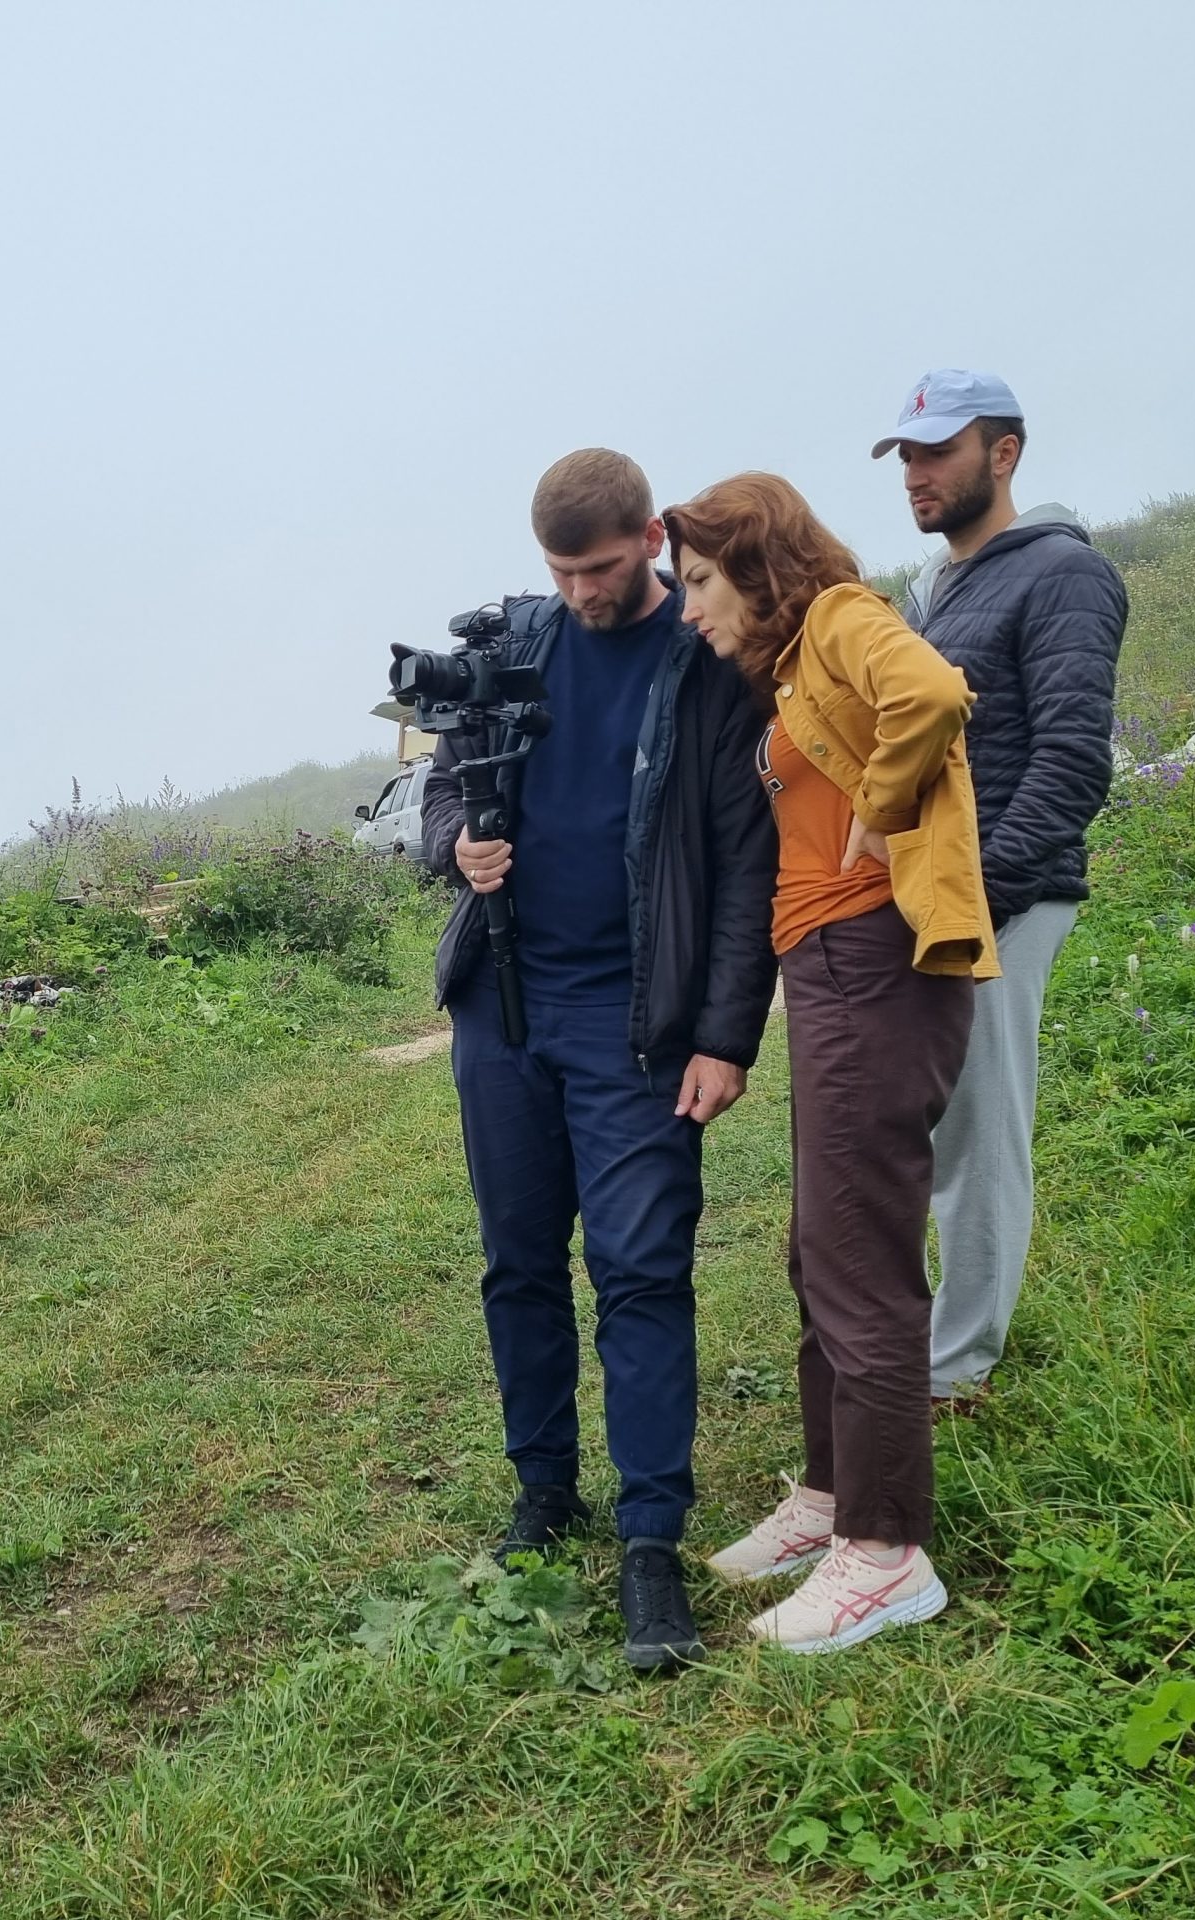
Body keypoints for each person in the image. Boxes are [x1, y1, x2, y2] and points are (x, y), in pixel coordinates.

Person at [423, 448, 778, 1672]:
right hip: (504, 1010)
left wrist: (727, 1033)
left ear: (651, 538)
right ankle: (542, 1492)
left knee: (638, 1271)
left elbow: (746, 862)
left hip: (638, 1023)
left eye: (602, 566)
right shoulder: (516, 645)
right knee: (517, 1263)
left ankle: (648, 1546)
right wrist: (457, 845)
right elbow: (441, 788)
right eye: (561, 572)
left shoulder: (705, 661)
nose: (581, 593)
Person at [664, 471, 996, 1653]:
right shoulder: (789, 663)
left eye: (699, 581)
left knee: (860, 1253)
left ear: (756, 563)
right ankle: (828, 1493)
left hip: (876, 955)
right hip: (828, 964)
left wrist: (883, 799)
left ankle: (886, 1550)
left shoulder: (843, 617)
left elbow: (934, 692)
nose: (689, 606)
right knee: (822, 1242)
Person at [875, 371, 1130, 1407]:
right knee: (935, 1120)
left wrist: (981, 893)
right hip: (938, 894)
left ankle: (958, 1363)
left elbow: (1072, 759)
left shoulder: (1062, 574)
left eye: (938, 451)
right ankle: (936, 1335)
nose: (916, 474)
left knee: (981, 1122)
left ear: (1005, 452)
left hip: (1004, 897)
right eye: (905, 456)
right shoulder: (934, 592)